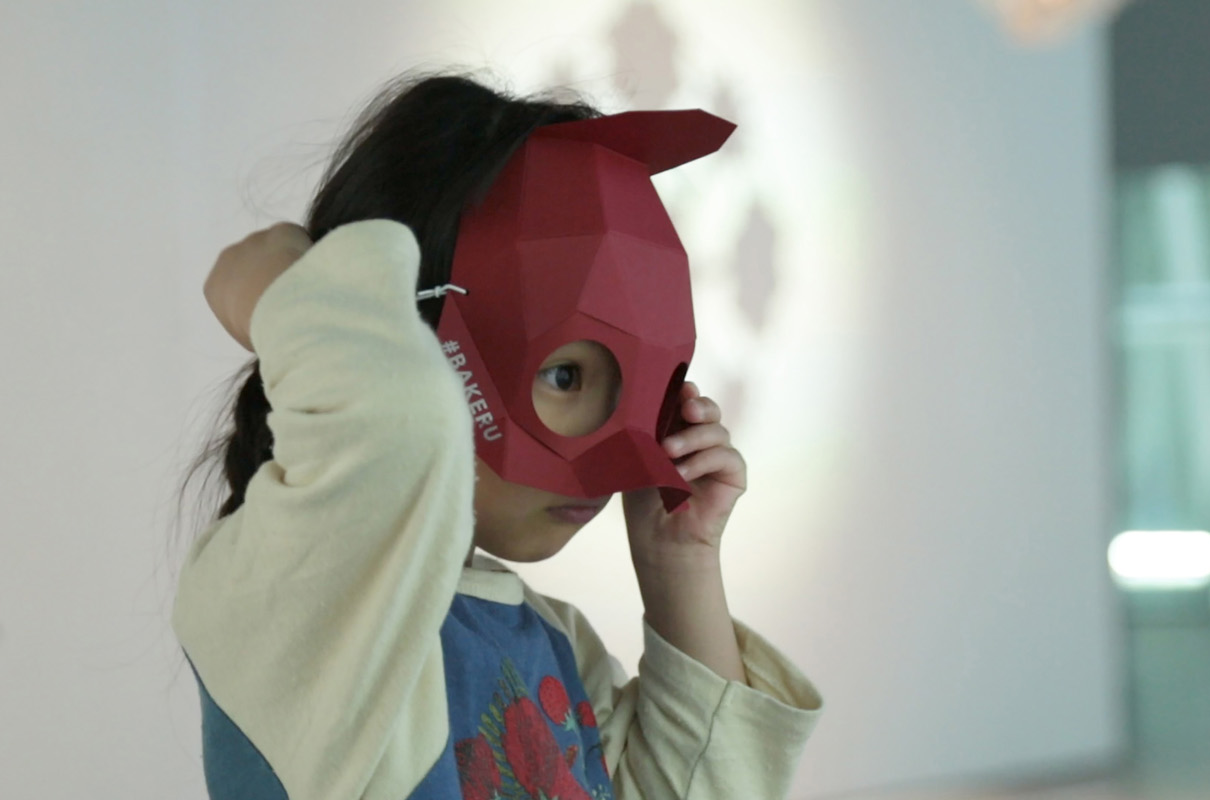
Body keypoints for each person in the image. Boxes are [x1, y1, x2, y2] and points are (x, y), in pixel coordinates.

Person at [173, 72, 821, 800]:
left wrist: (681, 564)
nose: (621, 458)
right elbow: (391, 410)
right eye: (566, 375)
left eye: (650, 389)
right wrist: (278, 286)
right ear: (416, 334)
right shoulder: (296, 594)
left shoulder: (548, 643)